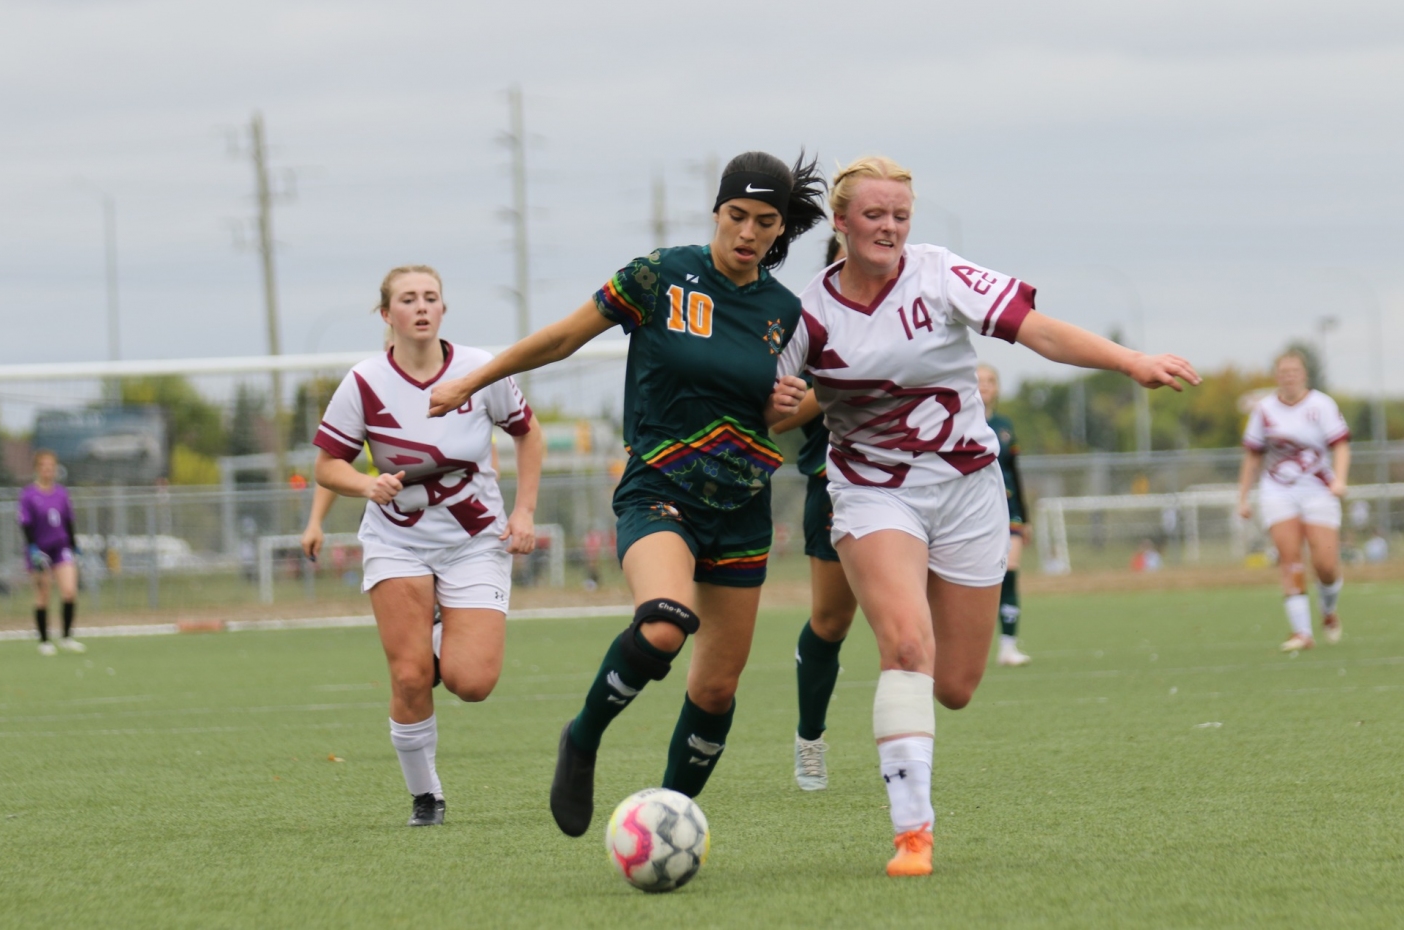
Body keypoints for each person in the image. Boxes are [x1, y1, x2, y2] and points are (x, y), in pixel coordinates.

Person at [772, 155, 1198, 876]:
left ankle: (909, 702)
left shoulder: (940, 274)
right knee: (906, 647)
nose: (889, 228)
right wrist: (774, 404)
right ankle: (913, 835)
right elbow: (763, 406)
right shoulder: (805, 313)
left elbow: (1038, 331)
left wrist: (1130, 361)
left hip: (969, 490)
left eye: (901, 215)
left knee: (955, 687)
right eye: (874, 215)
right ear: (840, 223)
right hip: (873, 491)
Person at [428, 151, 827, 837]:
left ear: (781, 228)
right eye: (736, 215)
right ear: (716, 211)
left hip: (742, 508)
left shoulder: (787, 314)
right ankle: (582, 738)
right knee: (664, 622)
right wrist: (472, 381)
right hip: (659, 488)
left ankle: (666, 823)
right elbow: (562, 338)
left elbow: (775, 414)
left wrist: (791, 403)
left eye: (765, 222)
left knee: (716, 689)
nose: (748, 232)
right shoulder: (657, 275)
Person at [312, 265, 545, 827]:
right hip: (397, 539)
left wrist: (524, 510)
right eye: (408, 299)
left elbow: (527, 433)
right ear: (386, 314)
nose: (421, 307)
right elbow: (327, 465)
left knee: (473, 682)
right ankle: (426, 797)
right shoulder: (364, 381)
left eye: (431, 297)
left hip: (474, 537)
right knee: (411, 676)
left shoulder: (480, 369)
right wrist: (367, 485)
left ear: (443, 309)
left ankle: (438, 631)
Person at [768, 234, 856, 791]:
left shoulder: (913, 307)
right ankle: (810, 739)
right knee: (831, 621)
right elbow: (775, 416)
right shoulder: (809, 322)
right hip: (837, 485)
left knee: (913, 625)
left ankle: (908, 751)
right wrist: (835, 386)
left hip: (914, 482)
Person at [1236, 351, 1350, 651]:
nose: (1289, 377)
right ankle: (1302, 633)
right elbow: (1252, 456)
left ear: (1304, 374)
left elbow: (1340, 445)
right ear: (1276, 376)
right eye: (1283, 372)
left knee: (1325, 565)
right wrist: (1243, 497)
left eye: (1294, 371)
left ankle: (1328, 610)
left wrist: (1339, 479)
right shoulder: (1264, 410)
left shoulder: (1321, 405)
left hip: (1318, 490)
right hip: (1277, 490)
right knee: (1290, 558)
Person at [976, 364, 1032, 666]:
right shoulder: (958, 422)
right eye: (978, 380)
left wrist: (1026, 517)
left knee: (1009, 573)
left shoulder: (1005, 426)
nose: (984, 385)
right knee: (974, 581)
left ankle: (1008, 646)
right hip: (972, 513)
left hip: (1008, 512)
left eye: (990, 380)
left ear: (997, 387)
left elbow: (1015, 473)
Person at [19, 450, 86, 655]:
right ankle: (44, 641)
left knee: (69, 591)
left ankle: (66, 637)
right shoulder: (29, 495)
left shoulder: (62, 493)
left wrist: (74, 545)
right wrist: (32, 548)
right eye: (44, 466)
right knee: (43, 594)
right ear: (37, 469)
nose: (48, 470)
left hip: (61, 547)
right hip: (40, 550)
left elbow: (68, 521)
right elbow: (26, 524)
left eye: (51, 466)